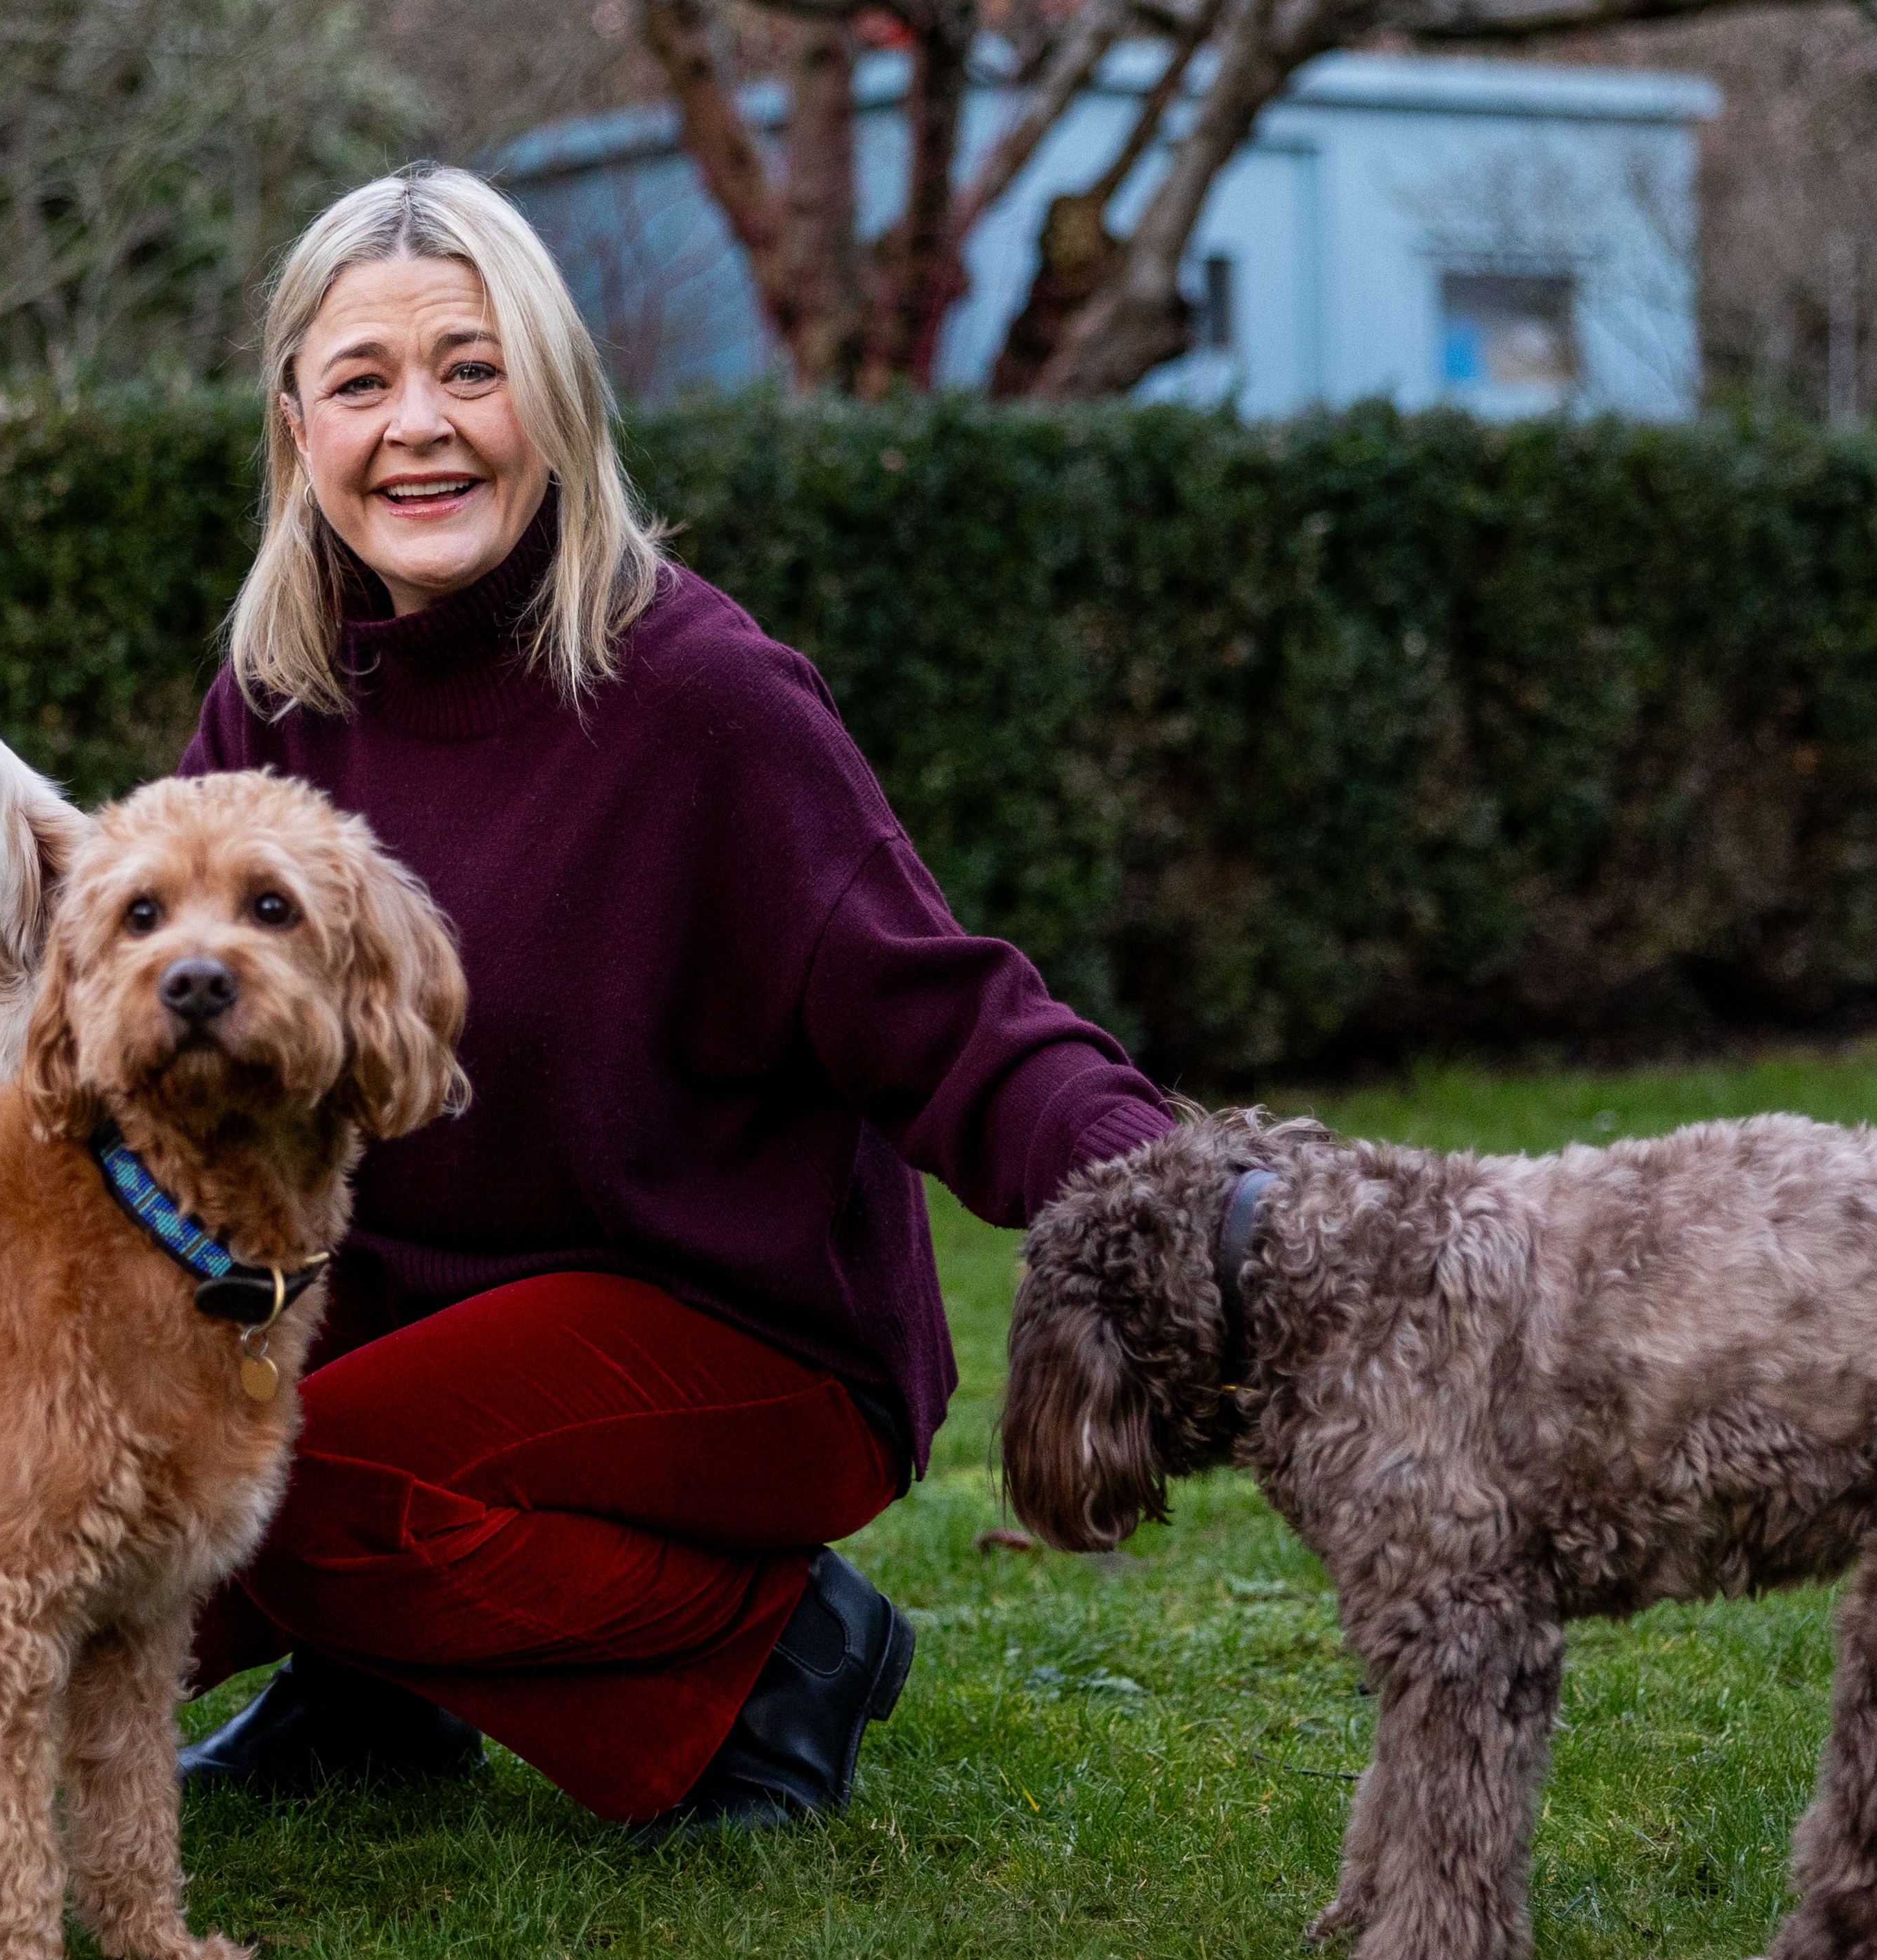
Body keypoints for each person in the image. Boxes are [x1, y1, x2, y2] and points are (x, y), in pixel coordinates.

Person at [170, 162, 1172, 1835]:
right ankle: (374, 1690)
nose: (418, 425)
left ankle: (773, 1655)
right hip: (402, 1319)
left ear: (557, 397)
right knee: (123, 1483)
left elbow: (948, 1021)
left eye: (473, 369)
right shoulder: (277, 703)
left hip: (737, 1330)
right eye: (361, 382)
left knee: (286, 1488)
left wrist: (1192, 1202)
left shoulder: (701, 695)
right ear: (297, 429)